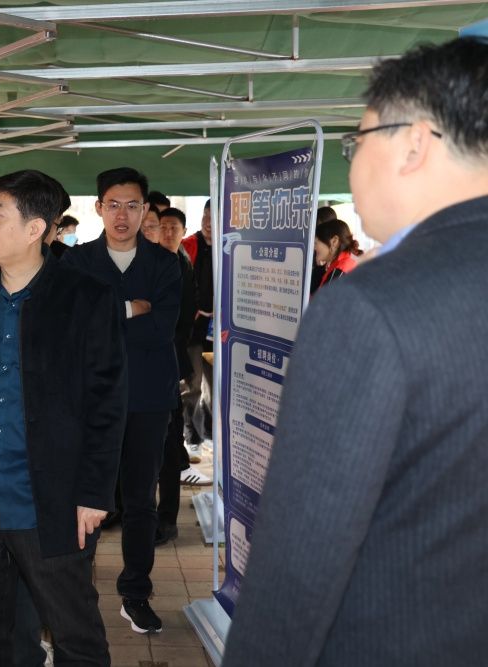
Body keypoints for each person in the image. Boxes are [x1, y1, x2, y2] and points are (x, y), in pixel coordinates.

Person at [222, 36, 488, 666]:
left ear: (414, 144)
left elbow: (302, 553)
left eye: (357, 140)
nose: (352, 163)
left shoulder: (370, 306)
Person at [0, 169, 126, 666]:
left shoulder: (86, 298)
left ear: (36, 229)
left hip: (49, 501)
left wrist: (95, 493)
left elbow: (107, 404)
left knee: (76, 635)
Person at [63, 167, 180, 634]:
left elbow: (162, 329)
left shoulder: (165, 263)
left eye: (133, 205)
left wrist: (104, 320)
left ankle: (135, 592)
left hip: (148, 397)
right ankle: (75, 598)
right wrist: (131, 308)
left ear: (145, 209)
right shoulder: (77, 262)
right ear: (99, 208)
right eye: (113, 204)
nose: (123, 215)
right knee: (84, 496)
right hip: (89, 398)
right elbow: (72, 327)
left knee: (140, 500)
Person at [152, 208, 206, 547]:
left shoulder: (182, 264)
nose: (166, 232)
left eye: (173, 227)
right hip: (150, 365)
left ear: (183, 231)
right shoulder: (152, 262)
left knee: (169, 446)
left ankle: (166, 519)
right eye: (162, 227)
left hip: (169, 364)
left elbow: (182, 319)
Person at [180, 199, 213, 462]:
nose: (209, 223)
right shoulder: (188, 245)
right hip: (192, 330)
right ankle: (192, 437)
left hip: (220, 331)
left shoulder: (231, 246)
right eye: (205, 216)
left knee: (216, 387)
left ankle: (211, 434)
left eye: (214, 217)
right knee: (192, 386)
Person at [313, 218, 362, 290]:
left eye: (316, 243)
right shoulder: (348, 260)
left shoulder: (340, 269)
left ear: (334, 241)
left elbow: (327, 296)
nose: (314, 248)